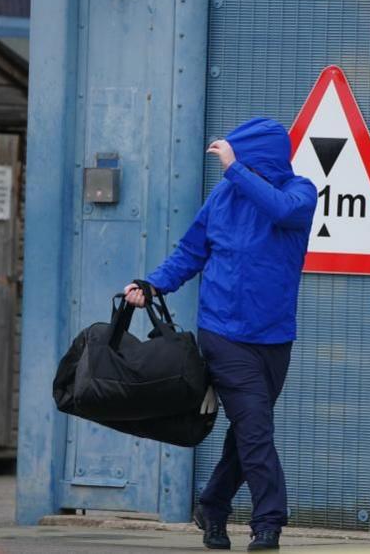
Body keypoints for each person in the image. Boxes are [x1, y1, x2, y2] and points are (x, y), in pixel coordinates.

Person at [124, 117, 317, 551]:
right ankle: (269, 522)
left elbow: (282, 211)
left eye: (240, 156)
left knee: (251, 430)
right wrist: (152, 284)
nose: (231, 164)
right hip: (223, 334)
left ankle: (212, 505)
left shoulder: (300, 192)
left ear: (258, 157)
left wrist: (235, 169)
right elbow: (191, 252)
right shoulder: (224, 197)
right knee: (254, 428)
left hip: (274, 337)